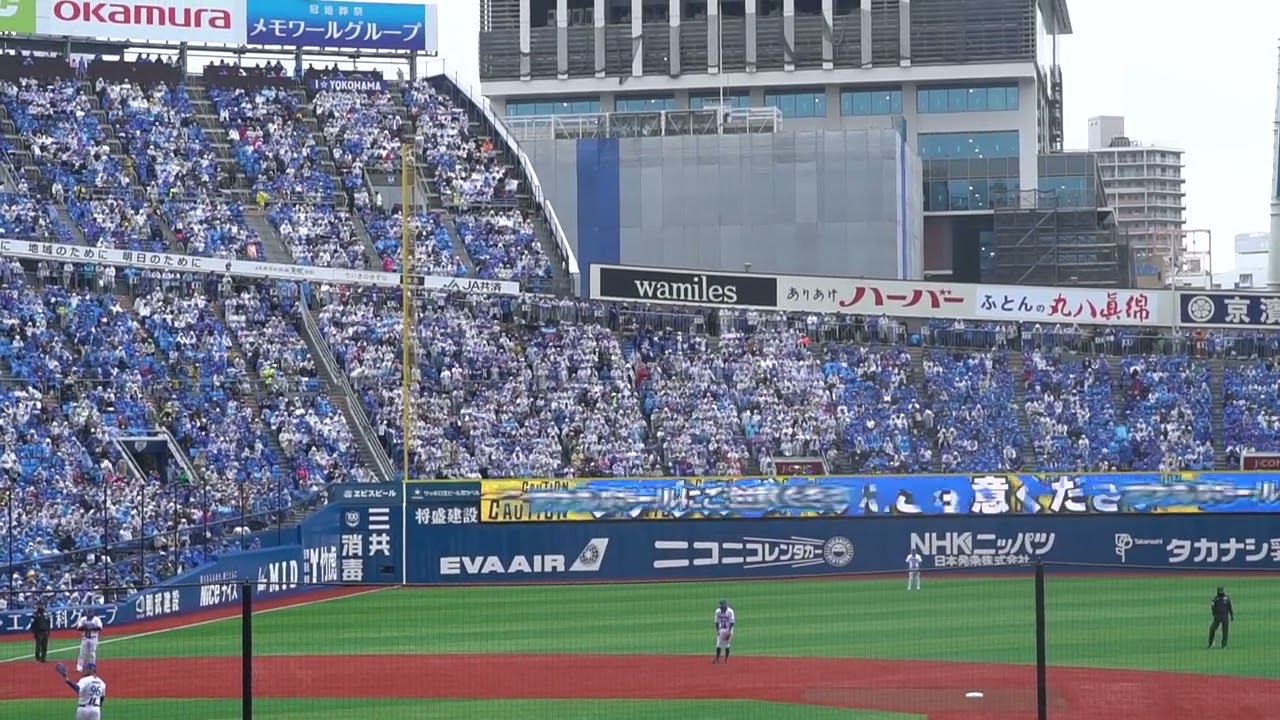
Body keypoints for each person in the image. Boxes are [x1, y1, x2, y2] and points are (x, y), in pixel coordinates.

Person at [713, 598, 735, 664]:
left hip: (729, 628)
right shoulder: (717, 611)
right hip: (721, 629)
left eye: (722, 605)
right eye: (721, 605)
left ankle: (726, 659)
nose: (721, 606)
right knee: (718, 644)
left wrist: (729, 631)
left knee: (727, 644)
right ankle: (717, 659)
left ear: (725, 605)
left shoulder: (730, 611)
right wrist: (717, 630)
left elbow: (732, 622)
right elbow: (716, 622)